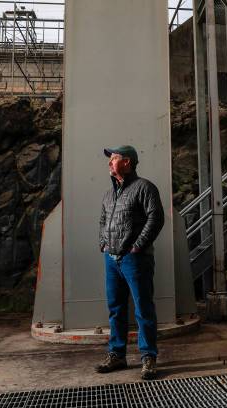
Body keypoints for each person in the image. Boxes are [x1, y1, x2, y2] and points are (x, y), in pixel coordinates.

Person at [96, 145, 165, 380]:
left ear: (127, 162)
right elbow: (103, 221)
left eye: (113, 158)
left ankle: (148, 357)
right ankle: (117, 354)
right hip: (112, 259)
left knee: (143, 309)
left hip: (135, 260)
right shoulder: (109, 194)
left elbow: (156, 217)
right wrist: (103, 244)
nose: (109, 162)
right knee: (116, 309)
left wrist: (137, 247)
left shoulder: (144, 187)